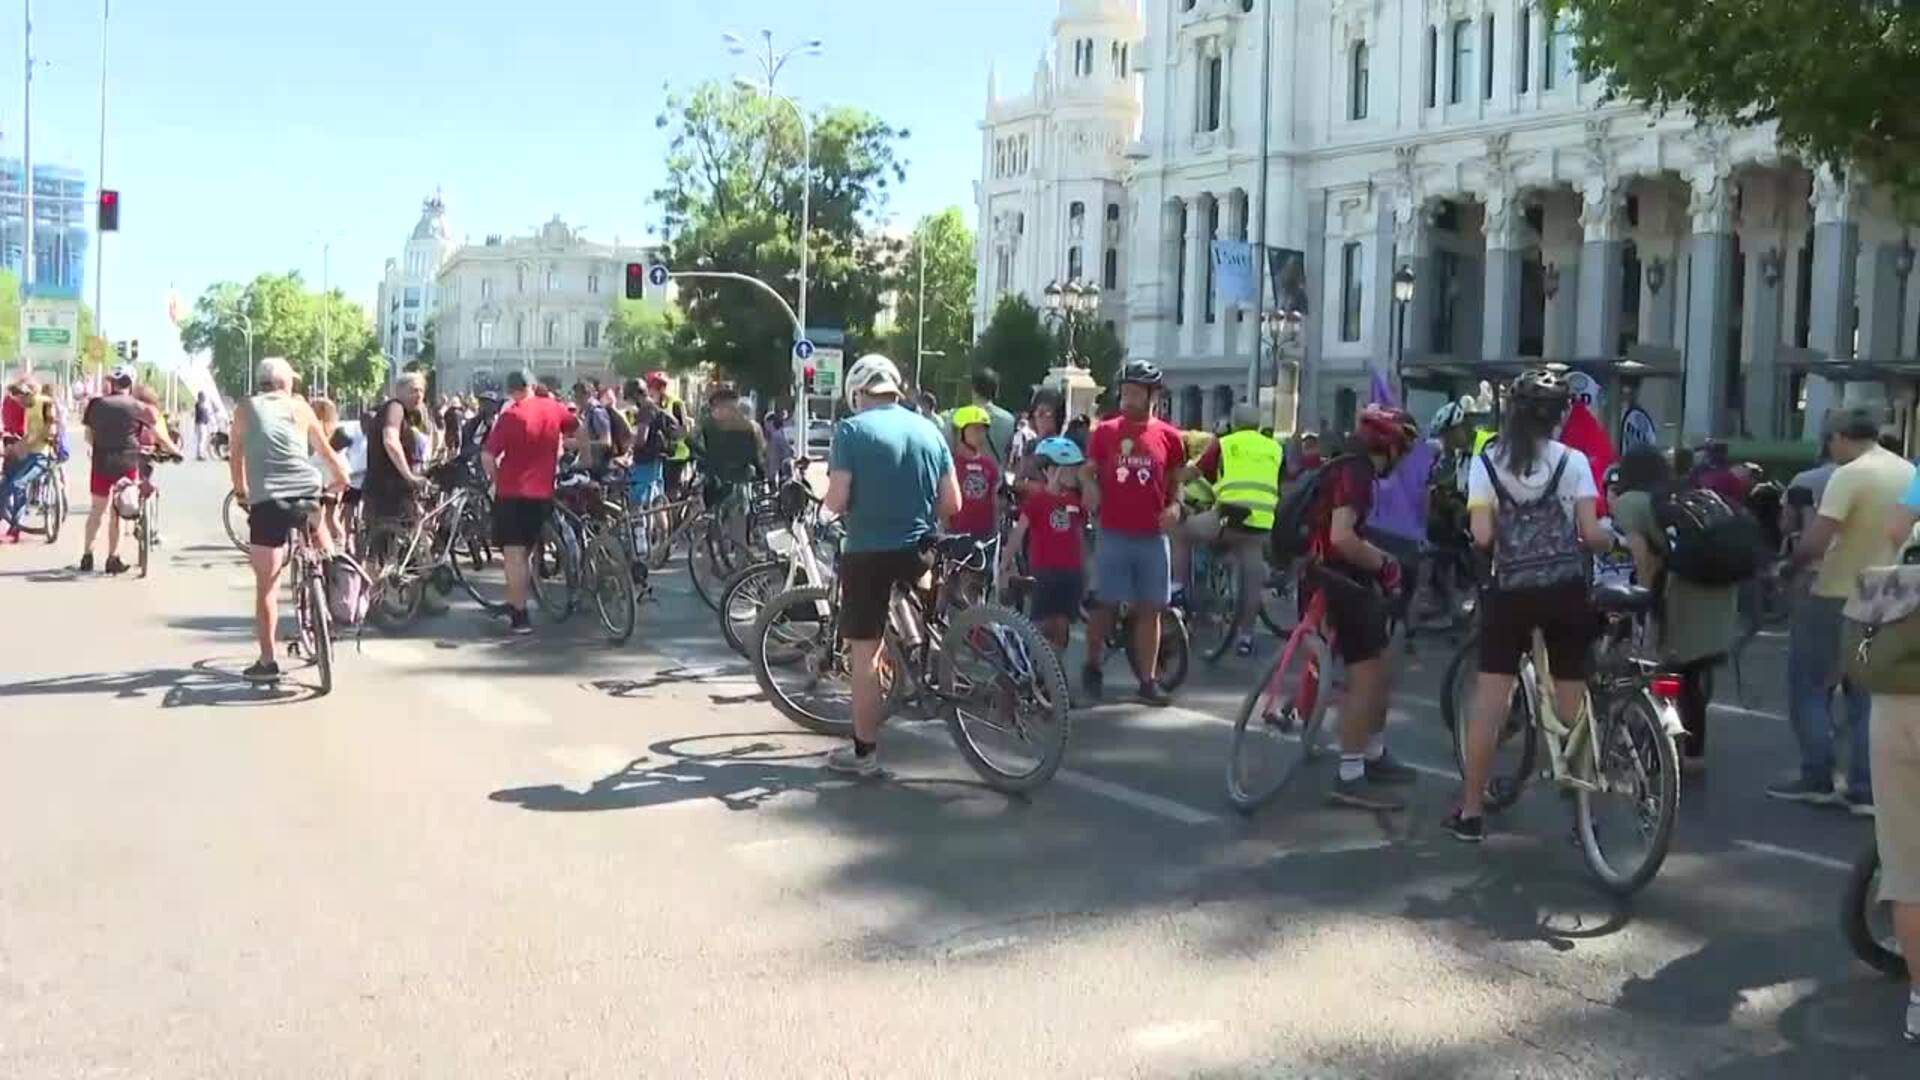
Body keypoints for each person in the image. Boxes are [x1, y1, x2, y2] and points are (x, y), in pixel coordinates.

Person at [1449, 370, 1613, 840]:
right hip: (1565, 590)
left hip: (1510, 593)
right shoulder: (1575, 461)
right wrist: (1610, 540)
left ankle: (1472, 811)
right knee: (1572, 699)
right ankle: (1583, 810)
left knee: (1490, 703)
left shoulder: (1488, 461)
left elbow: (1481, 536)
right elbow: (1590, 533)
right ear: (1561, 415)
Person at [1769, 407, 1915, 813]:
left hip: (1839, 592)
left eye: (1830, 440)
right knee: (1867, 692)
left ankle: (1817, 776)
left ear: (1840, 437)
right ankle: (1866, 788)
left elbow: (1817, 541)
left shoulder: (1849, 475)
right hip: (1893, 590)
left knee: (1810, 685)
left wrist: (1788, 567)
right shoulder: (1908, 472)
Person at [822, 354, 959, 775]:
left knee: (863, 654)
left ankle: (865, 754)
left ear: (858, 393)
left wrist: (821, 513)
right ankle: (936, 668)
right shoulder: (930, 429)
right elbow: (953, 502)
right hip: (920, 547)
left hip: (867, 553)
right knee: (927, 615)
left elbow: (838, 499)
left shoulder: (851, 430)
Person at [1297, 404, 1423, 810]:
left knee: (1384, 663)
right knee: (1365, 675)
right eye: (1403, 450)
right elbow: (1342, 537)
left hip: (1333, 573)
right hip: (1336, 578)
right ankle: (1350, 775)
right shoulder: (1357, 473)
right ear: (1390, 445)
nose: (1402, 460)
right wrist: (1386, 565)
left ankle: (1373, 752)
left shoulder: (1347, 465)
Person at [1611, 444, 1740, 772]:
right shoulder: (1683, 493)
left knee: (1666, 674)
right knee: (1693, 674)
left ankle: (1661, 750)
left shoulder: (1629, 502)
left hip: (1682, 592)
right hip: (1719, 589)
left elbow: (1644, 558)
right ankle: (1693, 753)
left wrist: (1642, 600)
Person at [227, 358, 349, 682]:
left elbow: (235, 454)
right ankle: (330, 585)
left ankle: (267, 663)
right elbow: (324, 451)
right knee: (318, 527)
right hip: (306, 492)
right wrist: (342, 479)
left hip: (267, 500)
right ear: (284, 383)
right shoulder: (301, 407)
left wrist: (241, 493)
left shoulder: (244, 408)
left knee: (267, 586)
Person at [1081, 360, 1186, 707]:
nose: (1127, 398)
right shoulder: (1105, 432)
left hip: (1152, 536)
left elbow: (1177, 484)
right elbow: (1088, 471)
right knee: (1104, 604)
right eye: (1124, 391)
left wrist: (1176, 508)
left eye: (1135, 392)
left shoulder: (1170, 437)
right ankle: (1092, 664)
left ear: (1153, 395)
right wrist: (1089, 485)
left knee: (1151, 608)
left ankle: (1147, 679)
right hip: (1113, 531)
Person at [1174, 404, 1279, 657]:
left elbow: (1197, 472)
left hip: (1228, 518)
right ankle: (1245, 637)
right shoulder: (1274, 448)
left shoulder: (1226, 443)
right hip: (1262, 523)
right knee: (1252, 580)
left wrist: (1173, 477)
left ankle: (1176, 589)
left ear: (1233, 422)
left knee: (1181, 532)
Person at [481, 370, 578, 635]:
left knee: (513, 556)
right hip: (543, 492)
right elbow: (577, 429)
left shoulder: (510, 415)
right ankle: (516, 600)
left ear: (510, 390)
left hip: (512, 493)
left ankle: (520, 615)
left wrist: (497, 479)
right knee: (528, 552)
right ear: (533, 385)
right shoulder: (554, 408)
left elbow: (488, 456)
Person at [78, 367, 176, 574]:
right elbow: (158, 433)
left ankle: (87, 555)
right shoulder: (138, 407)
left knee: (97, 510)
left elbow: (88, 436)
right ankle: (112, 558)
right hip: (127, 463)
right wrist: (174, 450)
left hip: (101, 462)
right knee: (118, 512)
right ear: (130, 384)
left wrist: (99, 446)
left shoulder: (95, 405)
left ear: (111, 383)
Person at [1003, 435, 1087, 653]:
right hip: (1044, 571)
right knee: (1041, 624)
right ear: (1051, 470)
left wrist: (1083, 571)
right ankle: (1018, 647)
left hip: (1070, 572)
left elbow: (1079, 536)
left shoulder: (1076, 501)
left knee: (1062, 625)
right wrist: (1004, 563)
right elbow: (1018, 533)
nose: (1074, 474)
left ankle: (1054, 675)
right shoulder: (1037, 501)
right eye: (1069, 469)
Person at [362, 373, 430, 531]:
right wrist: (409, 476)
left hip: (384, 487)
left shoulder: (404, 414)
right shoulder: (395, 407)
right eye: (413, 390)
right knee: (405, 540)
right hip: (389, 490)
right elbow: (390, 441)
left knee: (387, 546)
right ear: (399, 391)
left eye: (421, 391)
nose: (418, 395)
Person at [0, 376, 59, 541]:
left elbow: (50, 428)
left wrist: (32, 441)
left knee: (18, 484)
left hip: (42, 455)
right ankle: (6, 518)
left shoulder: (45, 403)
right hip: (29, 453)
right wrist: (15, 448)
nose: (19, 404)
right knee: (5, 483)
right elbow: (28, 436)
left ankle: (16, 526)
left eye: (20, 399)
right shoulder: (28, 408)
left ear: (27, 394)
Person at [947, 405, 1002, 540]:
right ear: (961, 432)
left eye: (983, 430)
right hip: (957, 533)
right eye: (976, 429)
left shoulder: (989, 465)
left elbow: (994, 500)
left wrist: (996, 528)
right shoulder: (951, 465)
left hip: (984, 534)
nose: (981, 435)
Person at [645, 372, 693, 497]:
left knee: (670, 490)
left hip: (677, 455)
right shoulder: (651, 404)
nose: (650, 391)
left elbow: (684, 429)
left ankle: (673, 514)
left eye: (652, 388)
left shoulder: (676, 403)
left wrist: (668, 435)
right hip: (660, 453)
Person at [571, 380, 614, 473]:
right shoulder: (586, 412)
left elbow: (606, 442)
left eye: (578, 396)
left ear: (587, 395)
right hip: (589, 465)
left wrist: (580, 444)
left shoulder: (597, 413)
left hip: (599, 468)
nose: (576, 399)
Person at [192, 391, 214, 460]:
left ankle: (199, 454)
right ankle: (200, 455)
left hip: (199, 424)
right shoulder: (200, 405)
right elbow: (205, 414)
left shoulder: (198, 404)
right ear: (201, 397)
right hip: (201, 424)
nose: (204, 398)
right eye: (203, 397)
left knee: (200, 440)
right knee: (202, 440)